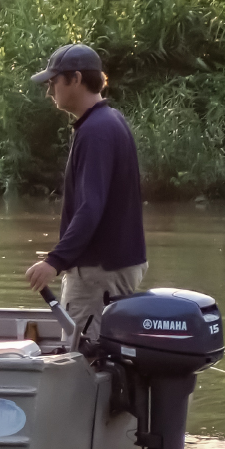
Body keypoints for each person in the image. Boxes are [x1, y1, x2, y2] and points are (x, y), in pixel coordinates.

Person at [24, 44, 148, 335]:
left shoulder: (95, 131)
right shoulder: (109, 121)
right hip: (113, 266)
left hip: (98, 273)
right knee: (103, 350)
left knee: (84, 355)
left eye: (54, 81)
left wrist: (54, 262)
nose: (49, 90)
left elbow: (90, 207)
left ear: (76, 79)